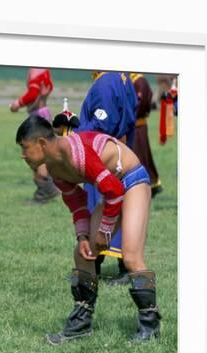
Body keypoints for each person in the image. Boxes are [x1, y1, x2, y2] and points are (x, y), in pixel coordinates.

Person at [16, 115, 161, 344]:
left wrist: (104, 230)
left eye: (25, 148)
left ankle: (150, 326)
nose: (22, 155)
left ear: (42, 144)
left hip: (131, 181)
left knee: (131, 257)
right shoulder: (55, 167)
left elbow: (113, 190)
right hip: (112, 191)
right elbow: (77, 203)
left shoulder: (77, 154)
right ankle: (80, 325)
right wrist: (82, 236)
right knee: (83, 253)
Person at [77, 71, 138, 283]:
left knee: (100, 208)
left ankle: (108, 266)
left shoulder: (106, 83)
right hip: (119, 151)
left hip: (102, 154)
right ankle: (99, 264)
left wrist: (73, 133)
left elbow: (101, 125)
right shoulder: (122, 77)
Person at [10, 68, 59, 203]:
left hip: (38, 113)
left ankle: (45, 191)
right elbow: (47, 88)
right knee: (40, 153)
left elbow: (32, 93)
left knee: (38, 154)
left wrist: (17, 104)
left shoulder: (36, 69)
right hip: (42, 111)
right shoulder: (44, 70)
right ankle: (46, 189)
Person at [130, 73, 163, 197]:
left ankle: (147, 185)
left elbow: (141, 104)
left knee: (141, 157)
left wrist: (129, 115)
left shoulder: (140, 81)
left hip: (138, 126)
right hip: (135, 127)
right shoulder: (132, 80)